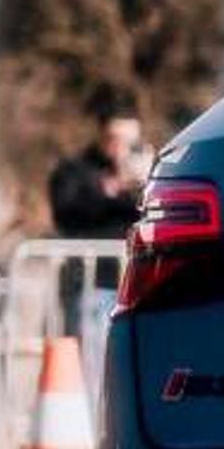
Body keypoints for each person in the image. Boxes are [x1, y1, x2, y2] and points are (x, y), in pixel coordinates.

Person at [46, 93, 149, 363]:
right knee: (93, 371)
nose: (121, 149)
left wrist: (146, 185)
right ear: (101, 134)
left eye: (130, 142)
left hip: (138, 288)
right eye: (114, 139)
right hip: (93, 286)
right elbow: (65, 212)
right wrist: (112, 190)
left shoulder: (148, 174)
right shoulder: (76, 171)